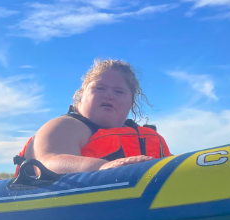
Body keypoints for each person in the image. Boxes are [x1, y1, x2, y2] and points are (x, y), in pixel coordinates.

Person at [15, 59, 170, 175]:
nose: (109, 95)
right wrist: (103, 167)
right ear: (81, 96)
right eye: (99, 88)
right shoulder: (66, 125)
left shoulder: (145, 135)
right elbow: (47, 162)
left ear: (131, 103)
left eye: (119, 91)